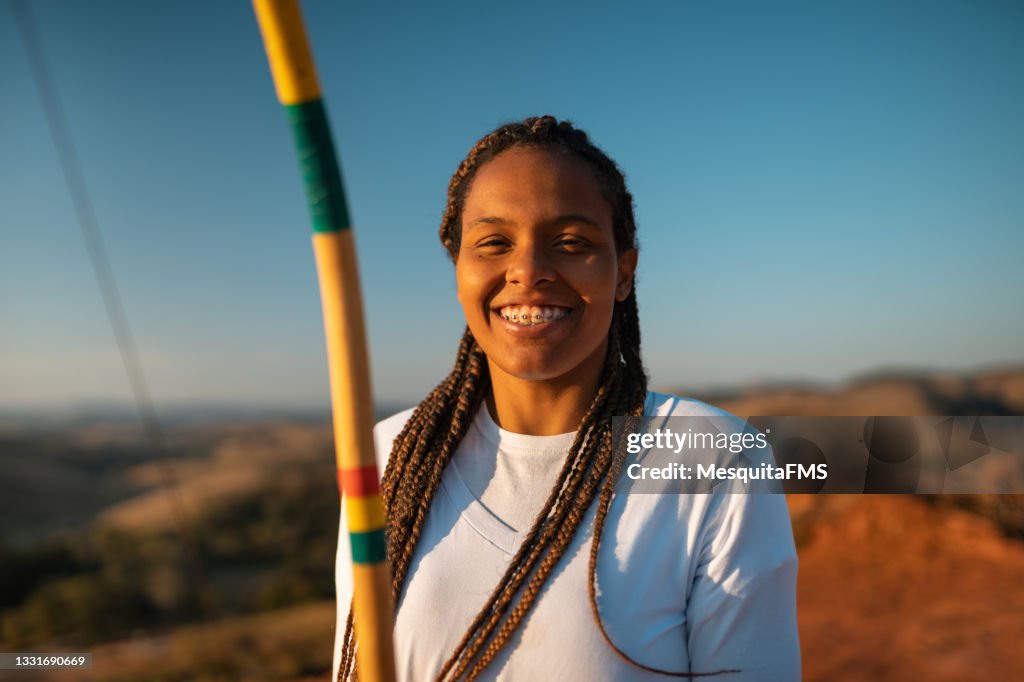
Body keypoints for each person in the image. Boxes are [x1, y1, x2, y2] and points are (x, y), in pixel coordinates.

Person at [333, 116, 800, 681]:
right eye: (494, 243)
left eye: (571, 243)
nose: (528, 270)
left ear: (624, 271)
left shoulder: (715, 456)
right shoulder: (392, 454)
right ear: (457, 266)